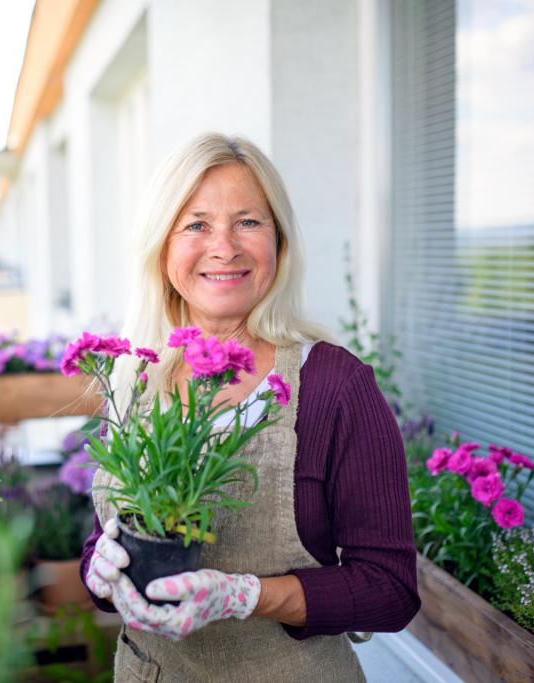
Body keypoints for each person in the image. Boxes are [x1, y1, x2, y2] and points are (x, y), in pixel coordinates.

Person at [79, 133, 420, 681]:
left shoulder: (333, 383)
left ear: (279, 242)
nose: (224, 247)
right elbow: (109, 534)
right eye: (196, 224)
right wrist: (100, 571)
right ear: (162, 246)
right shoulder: (137, 373)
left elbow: (391, 589)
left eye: (248, 222)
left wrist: (247, 596)